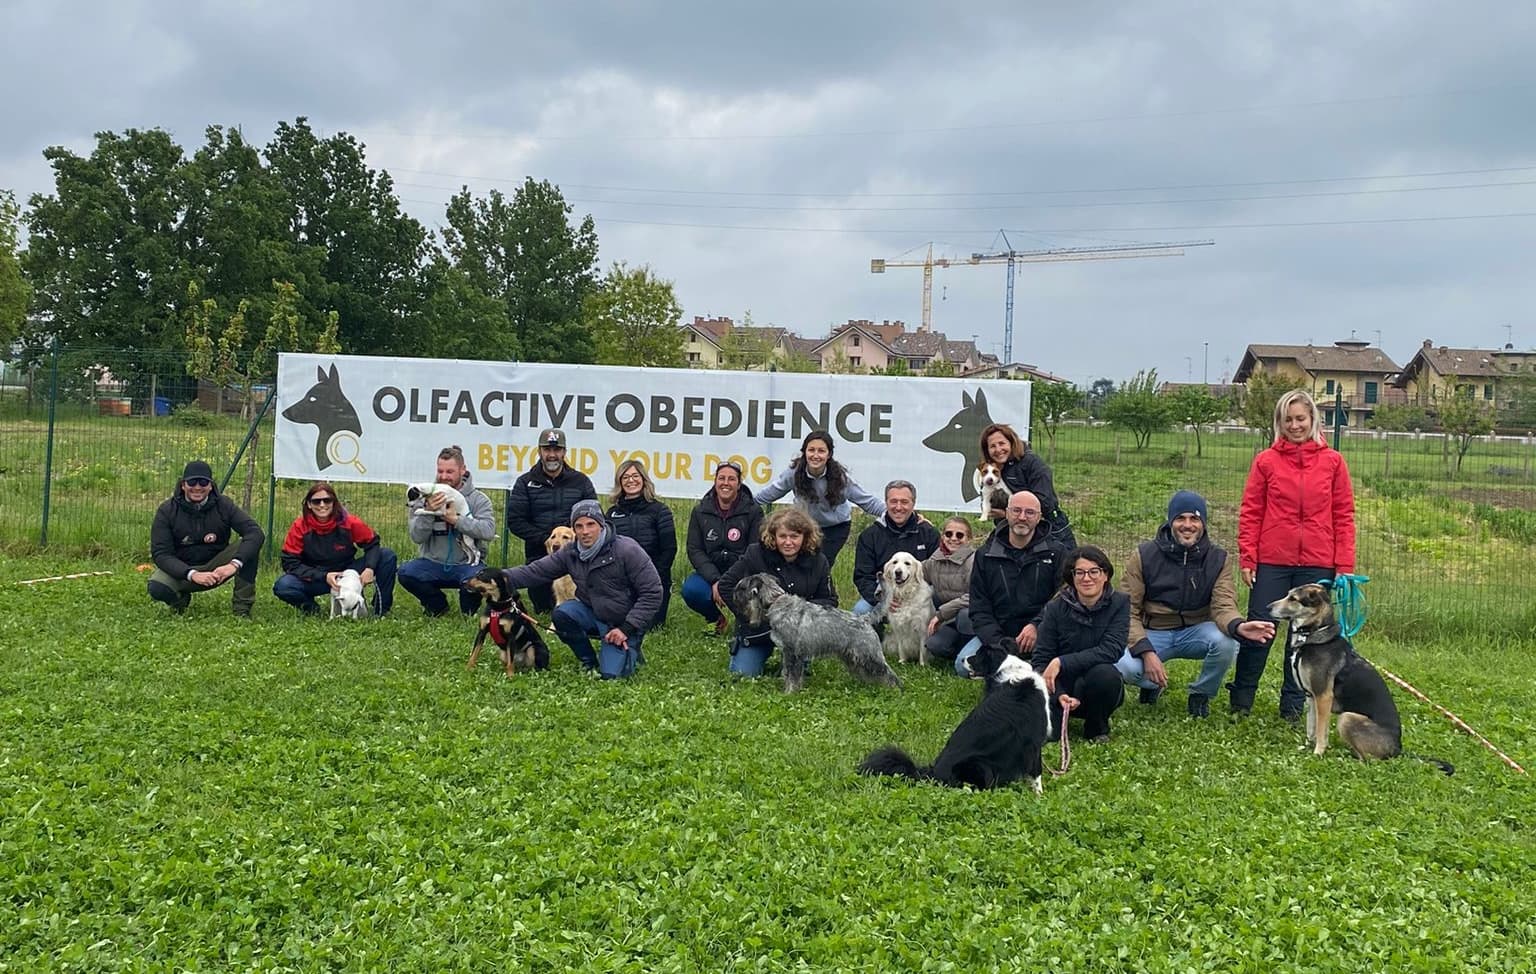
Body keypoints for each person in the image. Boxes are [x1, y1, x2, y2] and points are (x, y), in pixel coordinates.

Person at [1231, 390, 1357, 720]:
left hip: (1318, 561)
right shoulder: (1266, 462)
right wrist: (1248, 556)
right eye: (1288, 419)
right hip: (1272, 559)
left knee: (1304, 638)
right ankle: (1241, 701)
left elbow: (1343, 514)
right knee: (1260, 628)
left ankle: (1291, 705)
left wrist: (1343, 564)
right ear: (1279, 423)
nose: (1295, 425)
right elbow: (1251, 510)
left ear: (1313, 419)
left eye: (1300, 418)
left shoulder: (1333, 462)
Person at [1115, 490, 1274, 718]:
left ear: (1204, 524)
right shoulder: (1144, 555)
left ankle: (1201, 693)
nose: (1187, 525)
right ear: (1170, 522)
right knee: (1124, 666)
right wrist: (1146, 651)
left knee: (1227, 643)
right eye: (1180, 518)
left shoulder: (1218, 558)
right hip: (1153, 630)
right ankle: (1152, 685)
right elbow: (1128, 610)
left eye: (1195, 519)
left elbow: (1223, 605)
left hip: (1195, 630)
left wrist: (1238, 626)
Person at [501, 500, 663, 679]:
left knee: (612, 676)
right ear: (574, 530)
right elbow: (534, 571)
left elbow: (653, 592)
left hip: (624, 621)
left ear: (601, 525)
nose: (585, 531)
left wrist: (626, 628)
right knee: (562, 613)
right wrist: (496, 577)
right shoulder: (571, 552)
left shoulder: (627, 549)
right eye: (579, 526)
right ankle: (589, 661)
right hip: (594, 613)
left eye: (590, 524)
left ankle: (631, 647)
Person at [716, 508, 837, 676]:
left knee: (795, 671)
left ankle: (798, 661)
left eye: (794, 536)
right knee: (742, 674)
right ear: (773, 536)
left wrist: (798, 612)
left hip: (798, 633)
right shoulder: (754, 553)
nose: (788, 542)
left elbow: (829, 600)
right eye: (782, 536)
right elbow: (726, 584)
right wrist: (750, 614)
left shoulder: (819, 561)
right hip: (759, 631)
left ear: (805, 537)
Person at [958, 490, 1066, 677]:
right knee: (962, 666)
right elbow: (979, 607)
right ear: (1006, 514)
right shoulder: (986, 554)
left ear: (1039, 517)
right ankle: (1018, 668)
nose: (1022, 517)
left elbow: (1064, 597)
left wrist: (1037, 626)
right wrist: (999, 645)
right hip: (999, 636)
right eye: (1016, 511)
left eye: (1030, 512)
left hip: (1043, 634)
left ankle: (1016, 670)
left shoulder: (1057, 553)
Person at [1033, 546, 1130, 743]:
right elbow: (1042, 659)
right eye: (1080, 572)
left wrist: (1061, 661)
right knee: (1050, 736)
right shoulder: (1055, 608)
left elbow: (1111, 649)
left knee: (1107, 675)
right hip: (1059, 684)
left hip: (1095, 682)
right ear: (1072, 577)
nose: (1087, 578)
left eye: (1094, 571)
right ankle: (1059, 709)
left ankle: (1096, 728)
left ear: (1106, 575)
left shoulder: (1120, 603)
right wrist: (1059, 693)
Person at [147, 460, 264, 616]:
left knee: (250, 545)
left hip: (217, 566)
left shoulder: (224, 505)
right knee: (157, 586)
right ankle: (180, 601)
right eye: (192, 482)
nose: (197, 487)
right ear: (183, 485)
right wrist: (191, 574)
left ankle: (242, 610)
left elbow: (255, 532)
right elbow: (161, 553)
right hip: (184, 570)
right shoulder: (167, 510)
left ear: (210, 485)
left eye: (203, 482)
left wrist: (233, 565)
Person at [755, 430, 885, 568]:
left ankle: (824, 589)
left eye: (821, 451)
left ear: (829, 455)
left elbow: (867, 501)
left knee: (820, 567)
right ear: (804, 452)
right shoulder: (794, 473)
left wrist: (890, 513)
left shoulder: (840, 478)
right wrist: (744, 503)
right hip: (805, 528)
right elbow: (771, 492)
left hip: (835, 529)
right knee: (801, 567)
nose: (815, 455)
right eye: (811, 450)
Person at [398, 445, 497, 616]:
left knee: (475, 582)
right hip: (433, 563)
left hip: (467, 564)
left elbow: (488, 531)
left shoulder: (478, 499)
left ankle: (469, 612)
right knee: (406, 572)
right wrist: (428, 513)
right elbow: (417, 537)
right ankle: (437, 605)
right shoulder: (421, 497)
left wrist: (456, 520)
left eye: (450, 472)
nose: (444, 477)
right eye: (440, 471)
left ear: (463, 470)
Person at [273, 481, 398, 617]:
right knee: (284, 586)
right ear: (309, 504)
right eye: (316, 501)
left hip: (348, 572)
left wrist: (369, 568)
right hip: (317, 576)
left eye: (327, 500)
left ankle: (381, 610)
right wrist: (324, 576)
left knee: (387, 556)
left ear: (334, 503)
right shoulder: (299, 527)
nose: (322, 505)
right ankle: (312, 609)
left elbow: (373, 543)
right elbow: (289, 563)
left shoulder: (349, 522)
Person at [505, 428, 597, 613]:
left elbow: (594, 516)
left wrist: (572, 537)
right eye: (547, 450)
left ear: (564, 452)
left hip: (576, 556)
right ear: (539, 451)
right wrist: (546, 539)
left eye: (557, 450)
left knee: (576, 606)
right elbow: (515, 520)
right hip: (539, 556)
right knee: (543, 606)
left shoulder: (581, 481)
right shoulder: (525, 482)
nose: (552, 455)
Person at [682, 460, 764, 636]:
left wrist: (727, 581)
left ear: (739, 484)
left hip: (742, 572)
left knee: (753, 593)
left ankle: (744, 623)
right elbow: (694, 549)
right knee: (691, 590)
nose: (726, 483)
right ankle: (717, 619)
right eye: (721, 478)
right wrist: (714, 580)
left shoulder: (753, 511)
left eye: (731, 479)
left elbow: (754, 550)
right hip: (711, 572)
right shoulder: (700, 511)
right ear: (715, 481)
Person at [851, 479, 940, 616]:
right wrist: (883, 599)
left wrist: (920, 598)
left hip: (920, 596)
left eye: (904, 502)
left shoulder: (929, 533)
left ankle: (931, 637)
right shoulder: (870, 536)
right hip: (883, 594)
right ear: (886, 502)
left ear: (913, 504)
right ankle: (875, 637)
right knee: (860, 611)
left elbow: (937, 574)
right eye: (893, 501)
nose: (898, 507)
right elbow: (862, 576)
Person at [979, 423, 1075, 549]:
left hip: (1048, 528)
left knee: (1064, 565)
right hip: (1013, 529)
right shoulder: (995, 469)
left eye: (1002, 444)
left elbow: (1045, 503)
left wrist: (1008, 514)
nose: (998, 449)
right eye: (992, 446)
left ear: (1012, 442)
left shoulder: (1033, 464)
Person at [605, 459, 677, 628]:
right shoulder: (612, 514)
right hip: (621, 580)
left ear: (644, 479)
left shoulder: (660, 510)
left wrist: (652, 577)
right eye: (625, 477)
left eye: (635, 476)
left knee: (647, 625)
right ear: (620, 483)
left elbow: (669, 549)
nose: (631, 481)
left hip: (652, 579)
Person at [922, 516, 977, 665]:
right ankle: (960, 652)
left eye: (960, 535)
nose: (953, 538)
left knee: (965, 615)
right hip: (950, 620)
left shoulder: (975, 561)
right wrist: (886, 591)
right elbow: (912, 572)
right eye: (948, 534)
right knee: (934, 646)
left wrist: (940, 615)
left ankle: (976, 650)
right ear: (942, 536)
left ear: (969, 539)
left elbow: (974, 597)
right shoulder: (934, 561)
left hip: (974, 620)